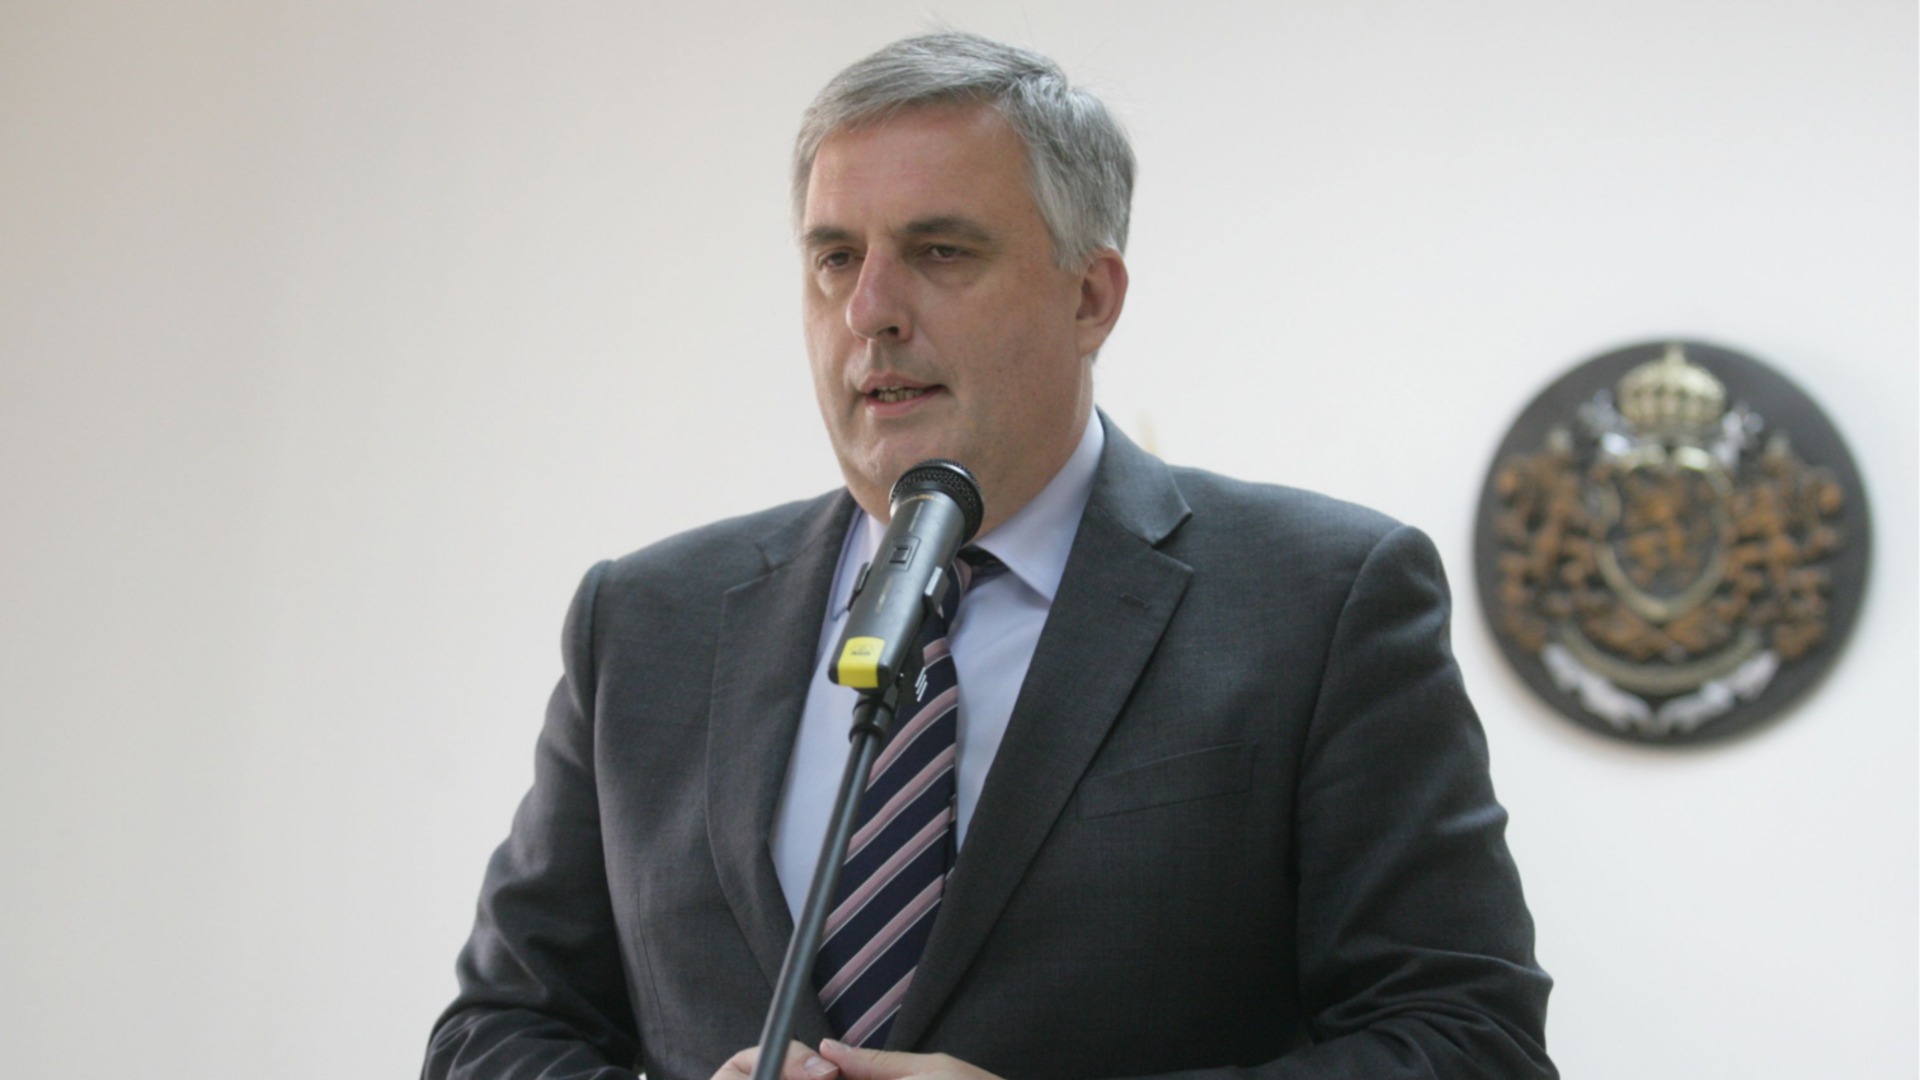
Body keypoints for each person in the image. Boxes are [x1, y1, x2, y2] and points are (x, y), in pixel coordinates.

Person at [424, 31, 1555, 1080]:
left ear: (1090, 297)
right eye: (834, 258)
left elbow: (1469, 1042)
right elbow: (497, 1033)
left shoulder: (1323, 601)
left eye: (940, 251)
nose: (870, 310)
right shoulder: (645, 622)